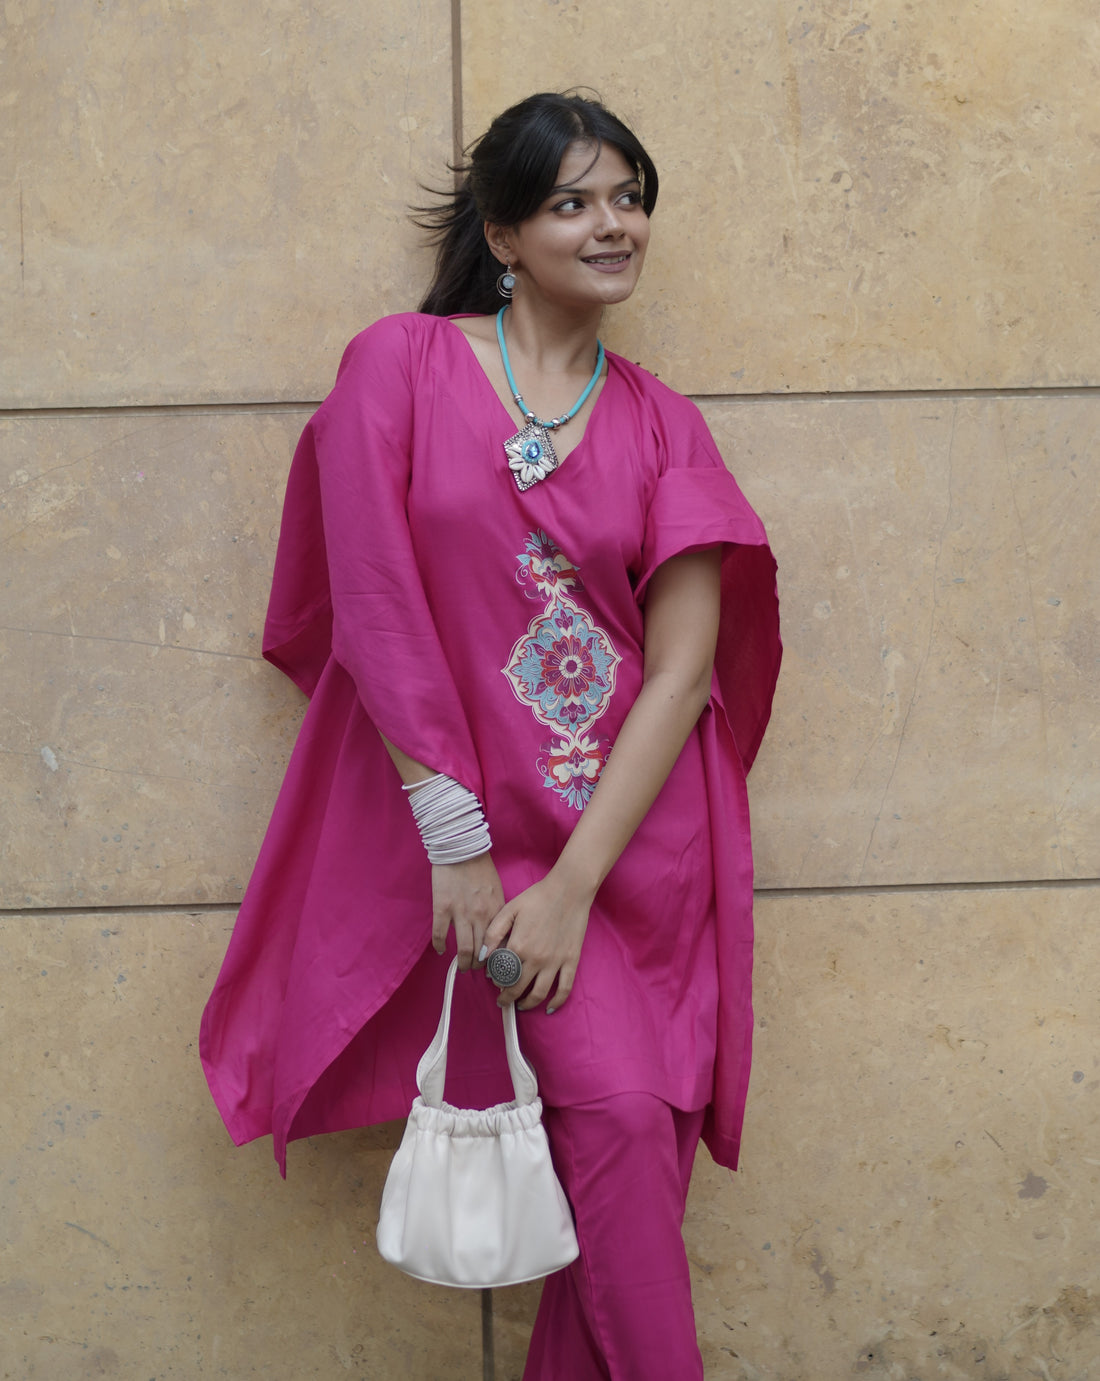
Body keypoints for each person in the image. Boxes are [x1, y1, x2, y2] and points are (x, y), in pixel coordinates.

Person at [201, 91, 780, 1379]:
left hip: (629, 856)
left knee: (632, 1148)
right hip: (473, 835)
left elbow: (682, 678)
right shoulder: (398, 368)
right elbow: (375, 605)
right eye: (574, 201)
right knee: (615, 1154)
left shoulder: (663, 421)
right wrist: (457, 840)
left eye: (629, 196)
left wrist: (579, 884)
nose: (613, 223)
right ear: (504, 234)